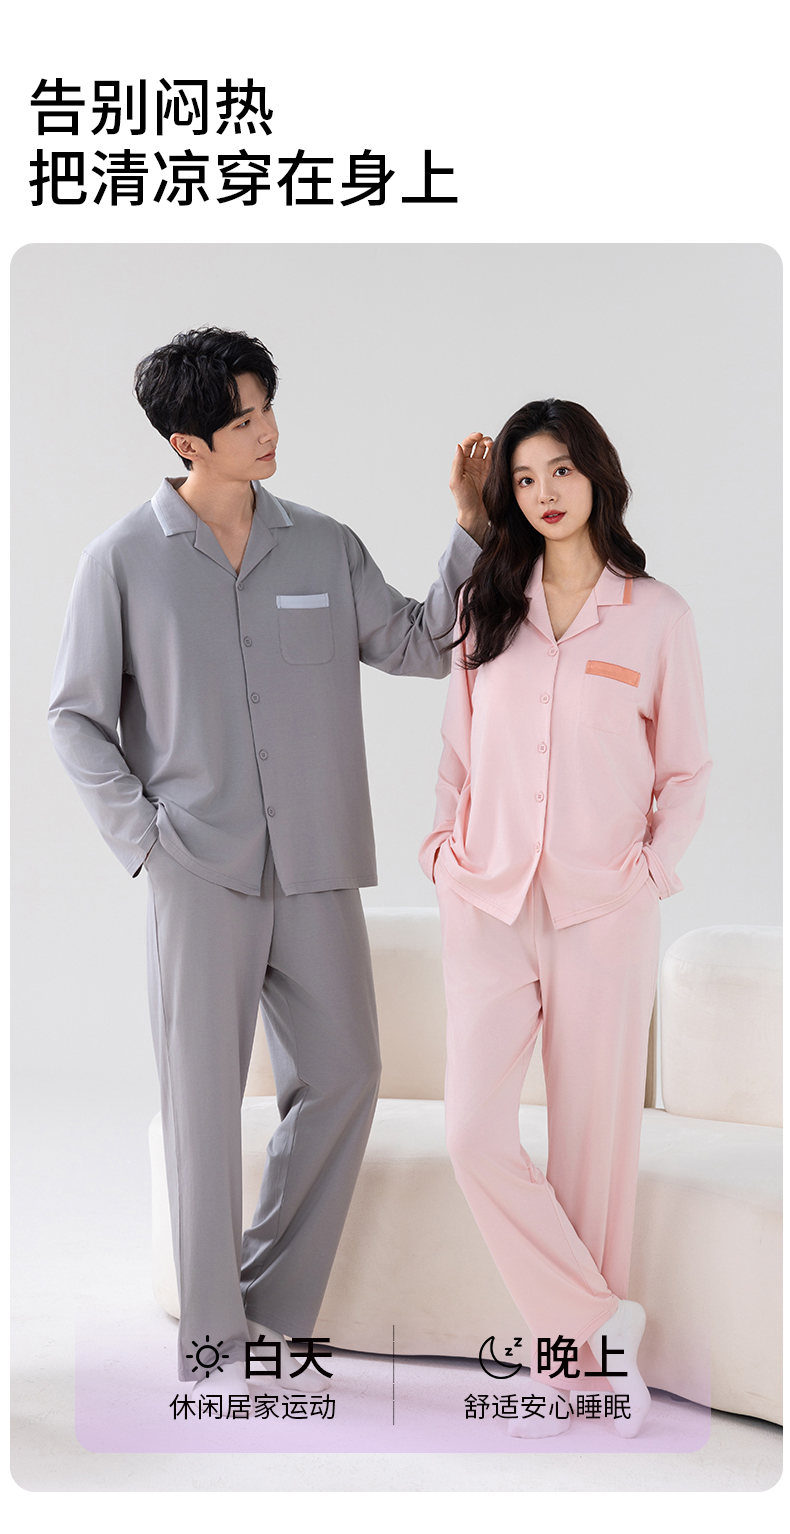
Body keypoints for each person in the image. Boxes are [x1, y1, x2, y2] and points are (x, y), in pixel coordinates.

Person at [48, 327, 486, 1390]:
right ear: (187, 441)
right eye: (243, 419)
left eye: (268, 407)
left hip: (318, 861)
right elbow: (75, 718)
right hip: (198, 866)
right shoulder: (122, 560)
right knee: (201, 1102)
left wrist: (471, 532)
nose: (269, 430)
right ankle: (213, 1340)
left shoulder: (323, 545)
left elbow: (424, 643)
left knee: (345, 1074)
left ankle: (271, 1307)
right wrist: (146, 840)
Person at [419, 399, 711, 1439]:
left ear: (597, 476)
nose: (544, 492)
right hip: (488, 900)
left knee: (593, 1149)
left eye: (561, 471)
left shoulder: (655, 615)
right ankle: (597, 1322)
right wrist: (442, 852)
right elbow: (457, 753)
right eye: (526, 477)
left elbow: (686, 771)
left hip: (602, 910)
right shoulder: (487, 606)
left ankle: (577, 1377)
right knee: (474, 1133)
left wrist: (649, 870)